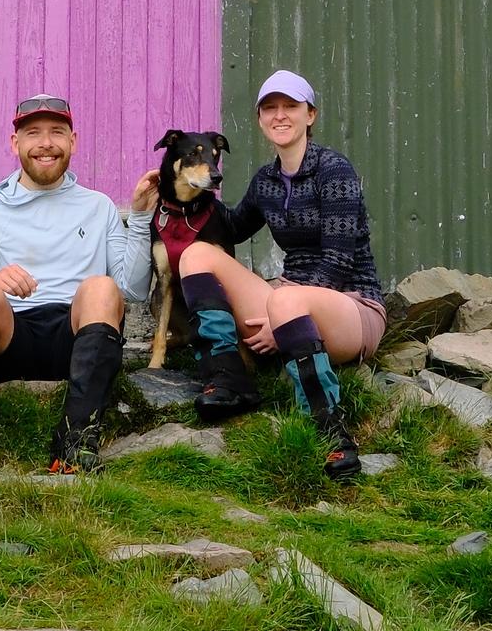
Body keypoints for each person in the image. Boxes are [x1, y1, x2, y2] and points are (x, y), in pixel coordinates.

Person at [160, 68, 383, 477]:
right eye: (269, 108)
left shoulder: (334, 171)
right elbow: (231, 227)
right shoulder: (266, 180)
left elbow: (338, 262)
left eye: (290, 106)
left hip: (352, 306)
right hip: (287, 300)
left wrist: (280, 320)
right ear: (261, 119)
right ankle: (230, 381)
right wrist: (175, 197)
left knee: (284, 298)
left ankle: (330, 432)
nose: (279, 115)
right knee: (196, 255)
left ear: (310, 115)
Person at [0, 96, 151, 475]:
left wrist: (142, 218)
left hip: (78, 337)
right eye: (33, 133)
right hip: (11, 340)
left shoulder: (99, 207)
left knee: (101, 287)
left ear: (73, 141)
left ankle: (76, 445)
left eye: (57, 132)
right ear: (15, 143)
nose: (46, 143)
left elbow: (132, 289)